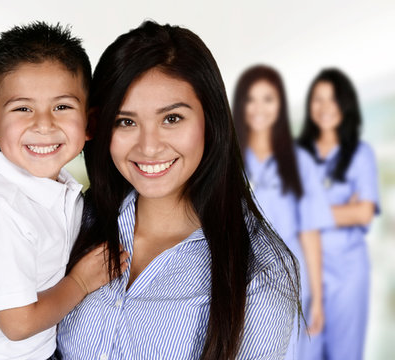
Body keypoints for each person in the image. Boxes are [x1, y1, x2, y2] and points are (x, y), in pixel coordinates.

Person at [57, 21, 300, 359]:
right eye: (125, 121)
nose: (149, 146)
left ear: (209, 120)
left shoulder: (258, 269)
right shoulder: (76, 221)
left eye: (171, 119)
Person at [0, 22, 125, 360]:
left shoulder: (56, 191)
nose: (44, 124)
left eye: (62, 107)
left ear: (89, 124)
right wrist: (81, 283)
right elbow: (17, 323)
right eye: (22, 108)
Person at [232, 65, 334, 359]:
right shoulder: (229, 161)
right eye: (252, 99)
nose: (260, 108)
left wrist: (317, 297)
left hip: (291, 280)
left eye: (269, 99)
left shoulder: (299, 162)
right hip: (242, 280)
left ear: (280, 106)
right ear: (241, 105)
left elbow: (311, 232)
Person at [296, 68, 379, 360]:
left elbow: (364, 212)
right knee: (304, 351)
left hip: (347, 274)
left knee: (344, 352)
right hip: (304, 270)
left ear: (345, 104)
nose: (324, 107)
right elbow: (285, 211)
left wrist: (308, 211)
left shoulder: (360, 154)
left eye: (332, 99)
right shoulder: (296, 156)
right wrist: (342, 210)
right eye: (318, 99)